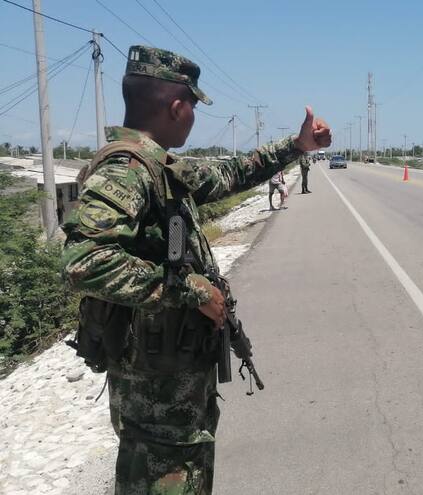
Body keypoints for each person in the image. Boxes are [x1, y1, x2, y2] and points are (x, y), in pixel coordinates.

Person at [60, 45, 330, 494]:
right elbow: (84, 262)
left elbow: (230, 175)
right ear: (177, 107)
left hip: (173, 383)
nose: (193, 117)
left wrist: (297, 146)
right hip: (156, 395)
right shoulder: (126, 170)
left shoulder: (158, 165)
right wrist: (191, 290)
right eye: (194, 107)